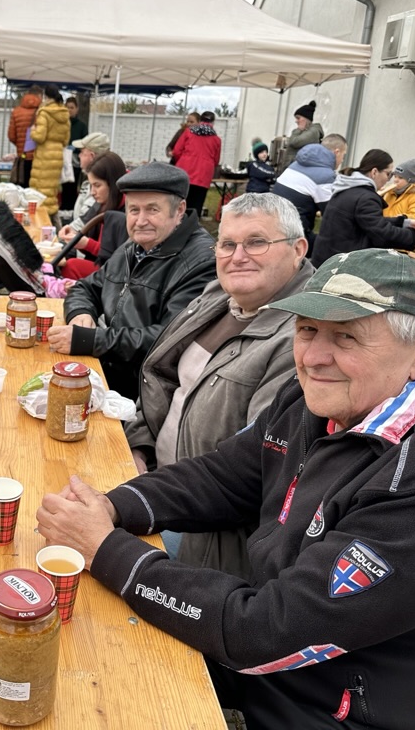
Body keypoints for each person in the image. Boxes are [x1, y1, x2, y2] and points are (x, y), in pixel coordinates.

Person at [37, 248, 415, 729]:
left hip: (356, 708)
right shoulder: (326, 395)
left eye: (346, 336)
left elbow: (264, 634)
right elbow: (224, 475)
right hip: (291, 659)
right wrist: (110, 507)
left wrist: (107, 550)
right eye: (307, 329)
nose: (313, 357)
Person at [125, 193, 313, 574]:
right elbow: (163, 378)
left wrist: (146, 497)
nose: (237, 256)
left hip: (201, 529)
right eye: (227, 244)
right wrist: (140, 448)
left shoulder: (302, 337)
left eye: (256, 242)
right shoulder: (220, 295)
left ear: (298, 249)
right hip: (154, 477)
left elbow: (252, 471)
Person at [49, 162, 216, 401]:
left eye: (152, 209)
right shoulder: (136, 245)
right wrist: (80, 313)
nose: (140, 220)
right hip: (106, 369)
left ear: (179, 210)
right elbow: (86, 287)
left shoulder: (201, 262)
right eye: (134, 210)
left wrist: (89, 340)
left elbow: (168, 339)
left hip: (143, 393)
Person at [311, 148, 415, 266]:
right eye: (388, 174)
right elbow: (382, 234)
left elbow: (368, 221)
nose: (389, 180)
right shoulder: (366, 197)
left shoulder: (346, 186)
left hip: (325, 258)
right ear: (374, 172)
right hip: (340, 265)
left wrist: (402, 222)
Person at [56, 150, 129, 280]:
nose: (92, 192)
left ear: (113, 183)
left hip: (116, 274)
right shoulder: (102, 204)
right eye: (91, 185)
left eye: (97, 185)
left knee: (71, 266)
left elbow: (119, 259)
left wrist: (86, 244)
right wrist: (74, 235)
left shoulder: (129, 211)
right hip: (102, 266)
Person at [270, 135, 347, 253]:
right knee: (336, 245)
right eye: (343, 156)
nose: (342, 160)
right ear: (337, 152)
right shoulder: (325, 176)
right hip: (293, 235)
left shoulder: (296, 164)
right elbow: (331, 215)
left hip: (274, 224)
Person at [28, 84, 71, 217]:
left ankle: (41, 218)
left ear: (45, 96)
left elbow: (40, 136)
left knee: (40, 190)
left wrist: (33, 131)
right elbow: (66, 140)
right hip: (57, 154)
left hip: (44, 155)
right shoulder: (64, 113)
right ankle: (53, 218)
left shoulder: (44, 112)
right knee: (51, 190)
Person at [171, 110, 222, 220]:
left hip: (185, 171)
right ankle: (192, 226)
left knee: (181, 202)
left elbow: (176, 151)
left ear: (200, 120)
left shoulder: (188, 132)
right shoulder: (217, 140)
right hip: (203, 174)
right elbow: (216, 160)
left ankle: (177, 224)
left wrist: (183, 160)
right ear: (213, 122)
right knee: (197, 204)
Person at [69, 131, 111, 230]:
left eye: (82, 152)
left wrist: (67, 232)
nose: (79, 156)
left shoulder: (101, 187)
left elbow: (85, 221)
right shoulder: (91, 181)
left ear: (92, 156)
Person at [8, 85, 42, 189]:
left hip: (22, 156)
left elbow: (11, 136)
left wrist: (20, 145)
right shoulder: (41, 112)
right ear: (39, 95)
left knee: (22, 187)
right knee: (35, 189)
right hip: (38, 157)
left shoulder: (16, 111)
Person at [381, 158, 415, 223]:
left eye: (400, 178)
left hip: (399, 228)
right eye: (395, 176)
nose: (396, 180)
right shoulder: (389, 192)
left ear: (410, 180)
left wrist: (403, 217)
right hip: (382, 226)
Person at [61, 96, 90, 211]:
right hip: (63, 160)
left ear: (77, 109)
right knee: (63, 185)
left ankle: (73, 209)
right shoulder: (62, 124)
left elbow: (85, 143)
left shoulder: (81, 126)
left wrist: (75, 149)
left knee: (72, 187)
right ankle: (63, 208)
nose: (69, 110)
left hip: (75, 161)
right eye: (67, 107)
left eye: (72, 107)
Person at [279, 99, 323, 173]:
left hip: (297, 170)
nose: (296, 121)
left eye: (298, 118)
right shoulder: (305, 131)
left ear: (306, 119)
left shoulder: (313, 132)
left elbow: (294, 142)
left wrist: (298, 130)